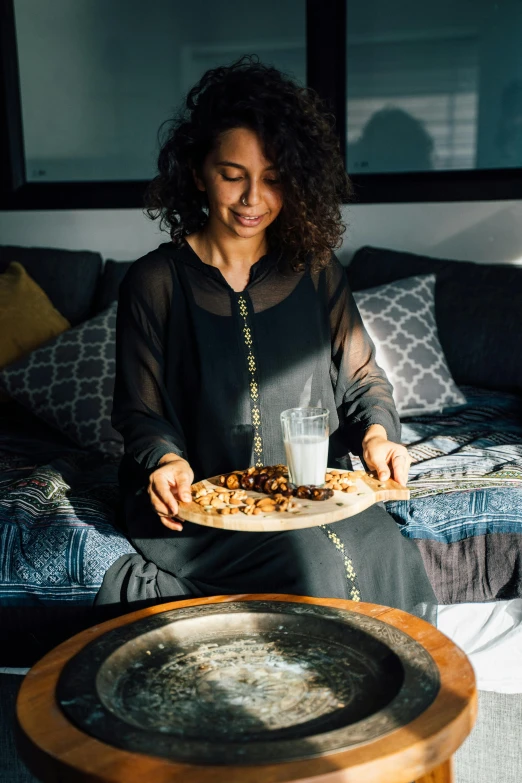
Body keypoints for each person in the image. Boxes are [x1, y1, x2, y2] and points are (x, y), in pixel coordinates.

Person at [95, 56, 436, 622]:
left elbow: (360, 379)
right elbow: (140, 407)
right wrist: (165, 461)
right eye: (233, 175)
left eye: (273, 178)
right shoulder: (155, 281)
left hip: (310, 490)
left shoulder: (315, 268)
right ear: (198, 171)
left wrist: (378, 434)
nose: (253, 198)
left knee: (385, 550)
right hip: (204, 502)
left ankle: (391, 694)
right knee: (314, 568)